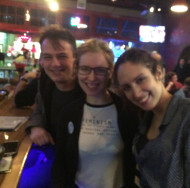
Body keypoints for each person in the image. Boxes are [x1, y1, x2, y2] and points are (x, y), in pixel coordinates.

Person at [113, 48, 190, 188]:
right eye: (127, 88)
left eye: (140, 80)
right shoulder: (145, 118)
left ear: (158, 73)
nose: (136, 93)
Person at [52, 39, 139, 188]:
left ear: (110, 72)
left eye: (99, 70)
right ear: (77, 69)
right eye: (85, 69)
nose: (91, 78)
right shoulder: (68, 113)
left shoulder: (126, 111)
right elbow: (60, 164)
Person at [19, 25, 84, 188]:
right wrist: (36, 127)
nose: (55, 64)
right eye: (47, 57)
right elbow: (39, 109)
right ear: (41, 60)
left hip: (80, 166)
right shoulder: (45, 82)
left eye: (62, 56)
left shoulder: (87, 87)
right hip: (52, 155)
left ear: (75, 58)